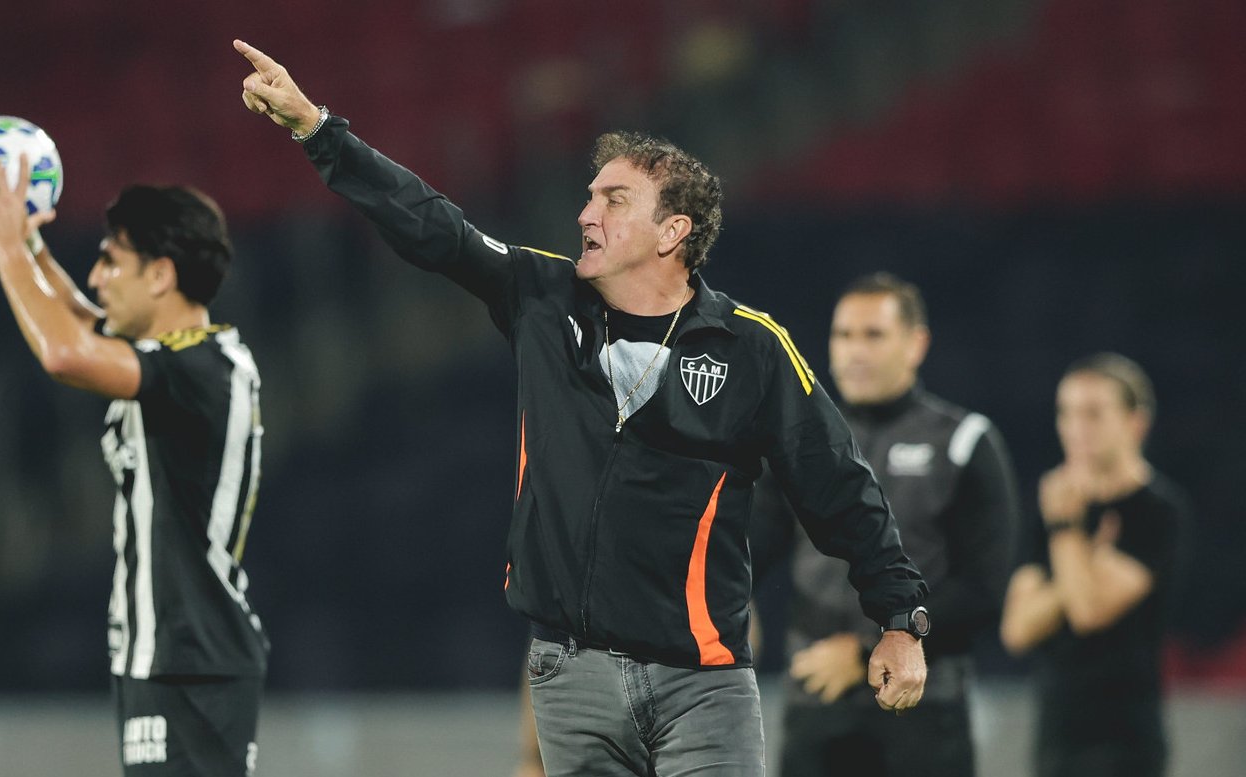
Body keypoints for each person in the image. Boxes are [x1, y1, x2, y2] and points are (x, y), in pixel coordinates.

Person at [234, 39, 928, 776]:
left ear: (672, 232)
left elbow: (837, 484)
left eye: (612, 200)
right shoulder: (540, 297)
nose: (584, 213)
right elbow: (433, 227)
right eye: (591, 195)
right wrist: (316, 128)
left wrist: (897, 618)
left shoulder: (750, 348)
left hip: (703, 681)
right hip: (570, 678)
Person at [0, 152, 268, 776]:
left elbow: (65, 352)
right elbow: (82, 320)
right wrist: (29, 243)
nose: (96, 275)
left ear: (161, 275)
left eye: (112, 259)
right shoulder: (181, 358)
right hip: (166, 655)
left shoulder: (204, 370)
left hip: (192, 659)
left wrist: (5, 249)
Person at [768, 272, 1020, 777]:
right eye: (843, 335)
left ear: (916, 343)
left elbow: (983, 590)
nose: (854, 351)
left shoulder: (964, 442)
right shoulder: (800, 442)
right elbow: (751, 544)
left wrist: (865, 648)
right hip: (816, 702)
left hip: (921, 709)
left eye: (873, 335)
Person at [1000, 353, 1187, 777]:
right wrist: (1087, 562)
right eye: (1066, 413)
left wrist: (1066, 529)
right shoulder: (1048, 505)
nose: (1076, 429)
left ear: (1135, 422)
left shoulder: (1157, 512)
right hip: (1055, 739)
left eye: (1094, 414)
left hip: (1126, 745)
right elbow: (1017, 629)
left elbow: (1088, 613)